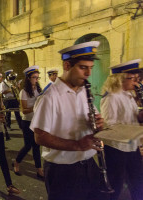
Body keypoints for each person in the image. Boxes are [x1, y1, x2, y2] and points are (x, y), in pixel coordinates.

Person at [30, 41, 106, 200]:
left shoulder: (84, 92)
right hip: (63, 172)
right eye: (83, 67)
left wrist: (98, 125)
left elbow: (91, 123)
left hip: (89, 165)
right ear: (66, 66)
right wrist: (77, 145)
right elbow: (40, 137)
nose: (88, 73)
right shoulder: (49, 97)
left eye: (90, 68)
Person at [100, 59, 143, 200]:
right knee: (116, 184)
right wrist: (131, 130)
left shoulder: (128, 95)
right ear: (120, 79)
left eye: (137, 78)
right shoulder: (111, 97)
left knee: (138, 180)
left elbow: (131, 118)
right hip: (117, 149)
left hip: (132, 145)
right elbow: (108, 126)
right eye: (132, 79)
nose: (136, 82)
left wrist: (139, 117)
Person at [13, 65, 44, 178]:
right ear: (28, 78)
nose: (36, 80)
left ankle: (39, 169)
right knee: (28, 146)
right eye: (34, 77)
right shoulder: (24, 92)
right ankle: (17, 162)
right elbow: (24, 110)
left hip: (37, 121)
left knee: (36, 146)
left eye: (37, 77)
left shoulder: (39, 90)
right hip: (27, 122)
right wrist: (36, 106)